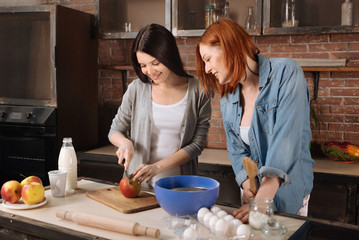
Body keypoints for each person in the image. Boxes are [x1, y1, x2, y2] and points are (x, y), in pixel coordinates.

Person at [195, 18, 314, 223]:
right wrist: (245, 183)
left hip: (286, 197)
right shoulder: (227, 96)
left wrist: (261, 202)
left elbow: (286, 142)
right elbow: (236, 149)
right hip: (252, 203)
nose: (206, 69)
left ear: (228, 46)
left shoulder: (286, 73)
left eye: (208, 59)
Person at [108, 23, 211, 189]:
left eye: (155, 63)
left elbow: (197, 145)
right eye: (143, 65)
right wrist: (124, 143)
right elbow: (115, 130)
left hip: (180, 186)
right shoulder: (136, 89)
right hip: (138, 186)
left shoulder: (199, 90)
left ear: (168, 56)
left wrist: (157, 167)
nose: (149, 71)